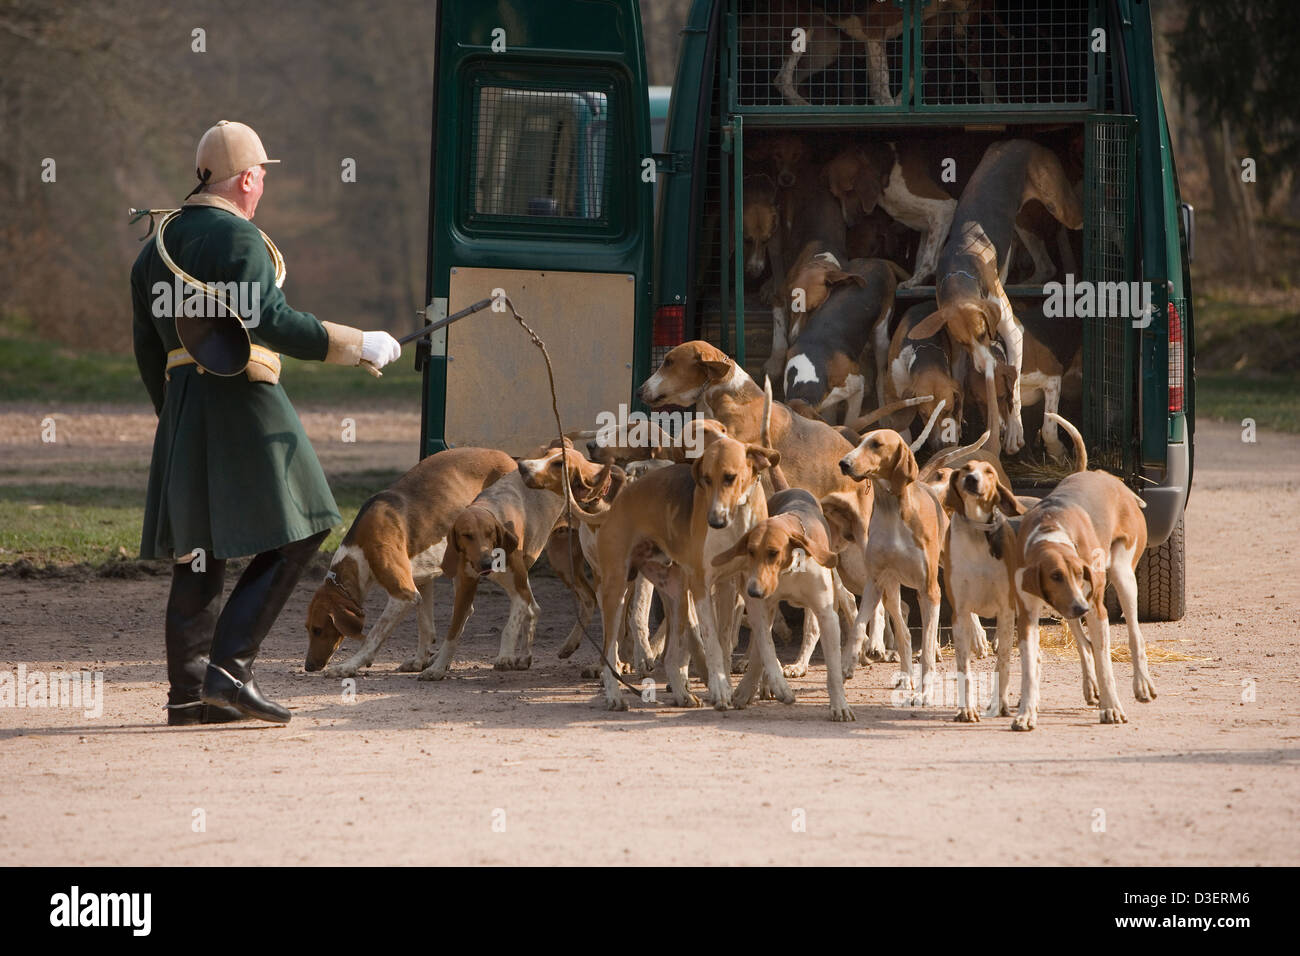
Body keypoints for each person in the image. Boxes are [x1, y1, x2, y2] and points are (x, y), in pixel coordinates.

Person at [130, 120, 402, 725]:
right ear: (249, 178)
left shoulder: (154, 248)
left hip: (181, 408)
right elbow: (271, 320)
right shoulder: (241, 240)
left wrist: (175, 418)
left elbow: (148, 351)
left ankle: (189, 693)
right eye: (262, 179)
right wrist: (357, 344)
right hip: (245, 398)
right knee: (306, 525)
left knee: (199, 552)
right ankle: (229, 674)